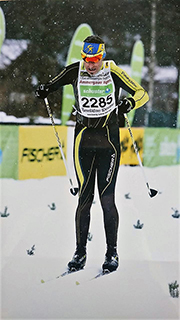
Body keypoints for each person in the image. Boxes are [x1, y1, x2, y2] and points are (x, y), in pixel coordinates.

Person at [35, 35, 149, 273]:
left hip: (109, 143)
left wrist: (129, 104)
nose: (91, 65)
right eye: (87, 59)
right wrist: (43, 90)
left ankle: (111, 253)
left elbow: (142, 94)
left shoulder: (113, 71)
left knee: (107, 199)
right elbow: (49, 85)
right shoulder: (75, 71)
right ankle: (80, 252)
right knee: (84, 199)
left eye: (96, 59)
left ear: (103, 56)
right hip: (83, 142)